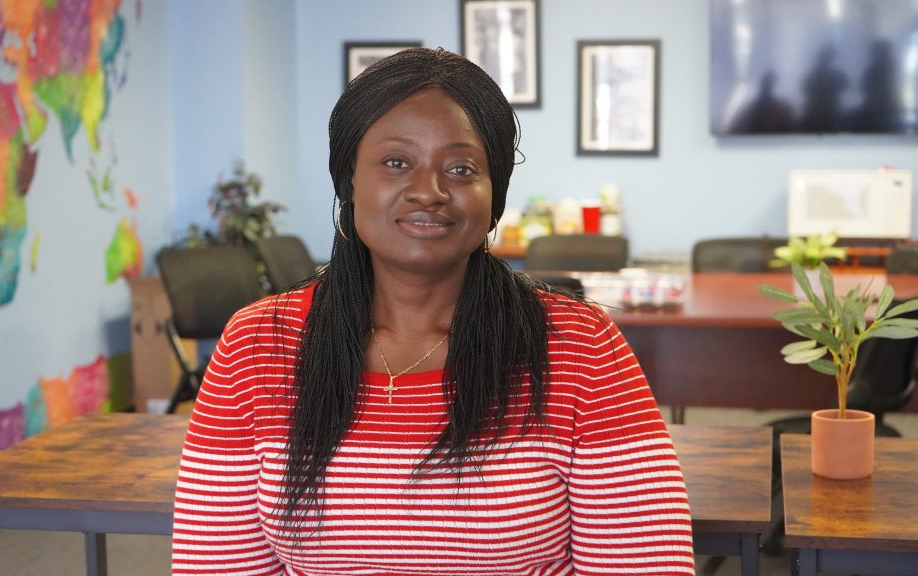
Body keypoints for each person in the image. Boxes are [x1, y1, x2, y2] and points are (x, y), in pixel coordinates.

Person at [171, 47, 695, 575]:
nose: (429, 191)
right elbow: (218, 565)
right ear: (349, 181)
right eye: (397, 162)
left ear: (494, 197)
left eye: (461, 168)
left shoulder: (579, 346)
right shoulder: (260, 343)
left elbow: (643, 563)